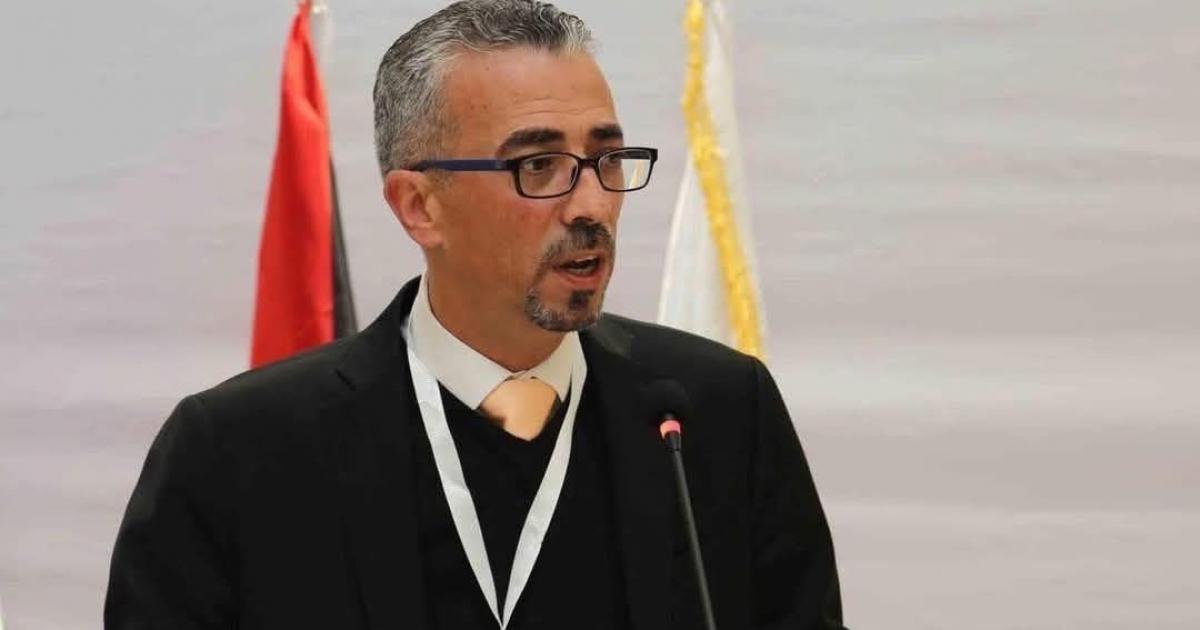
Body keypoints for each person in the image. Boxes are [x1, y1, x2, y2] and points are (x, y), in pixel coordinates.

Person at [104, 1, 846, 628]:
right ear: (419, 206)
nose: (591, 205)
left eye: (607, 159)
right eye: (539, 166)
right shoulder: (239, 453)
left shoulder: (718, 414)